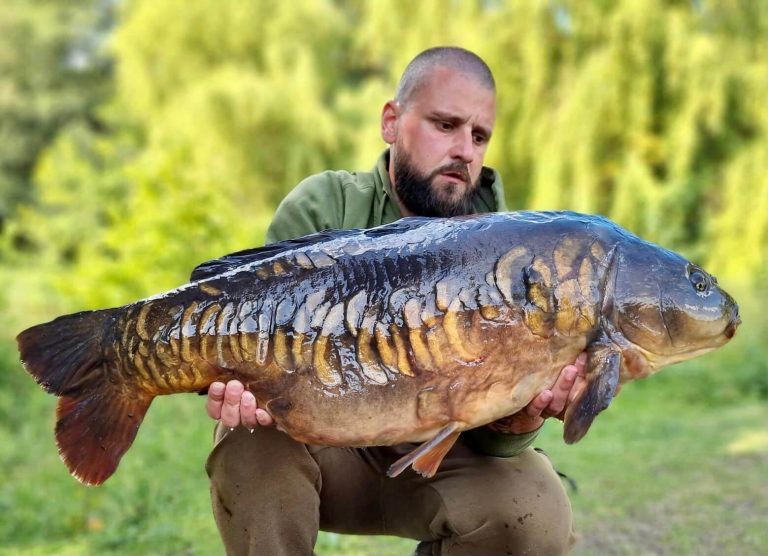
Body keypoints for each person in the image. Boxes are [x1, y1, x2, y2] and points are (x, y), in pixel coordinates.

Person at [205, 47, 585, 556]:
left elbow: (499, 445)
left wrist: (527, 414)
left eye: (479, 136)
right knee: (246, 445)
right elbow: (250, 337)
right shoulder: (325, 206)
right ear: (392, 122)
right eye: (445, 125)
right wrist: (235, 388)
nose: (465, 151)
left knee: (536, 514)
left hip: (433, 459)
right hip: (320, 445)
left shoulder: (512, 259)